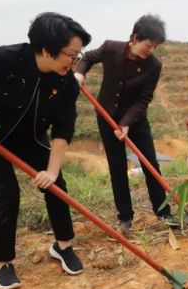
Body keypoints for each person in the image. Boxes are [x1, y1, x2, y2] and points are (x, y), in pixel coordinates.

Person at [0, 12, 91, 289]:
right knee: (6, 194)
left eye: (79, 55)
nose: (75, 61)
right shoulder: (2, 60)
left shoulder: (66, 82)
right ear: (46, 49)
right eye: (71, 54)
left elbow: (63, 129)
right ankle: (3, 262)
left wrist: (52, 170)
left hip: (29, 137)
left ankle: (63, 246)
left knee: (57, 185)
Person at [74, 14, 175, 232]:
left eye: (155, 46)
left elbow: (144, 99)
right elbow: (87, 58)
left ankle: (163, 213)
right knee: (117, 167)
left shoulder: (154, 65)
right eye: (149, 45)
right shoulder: (111, 48)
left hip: (136, 120)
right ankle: (125, 218)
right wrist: (80, 73)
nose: (151, 50)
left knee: (151, 164)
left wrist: (127, 123)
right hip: (106, 117)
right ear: (135, 38)